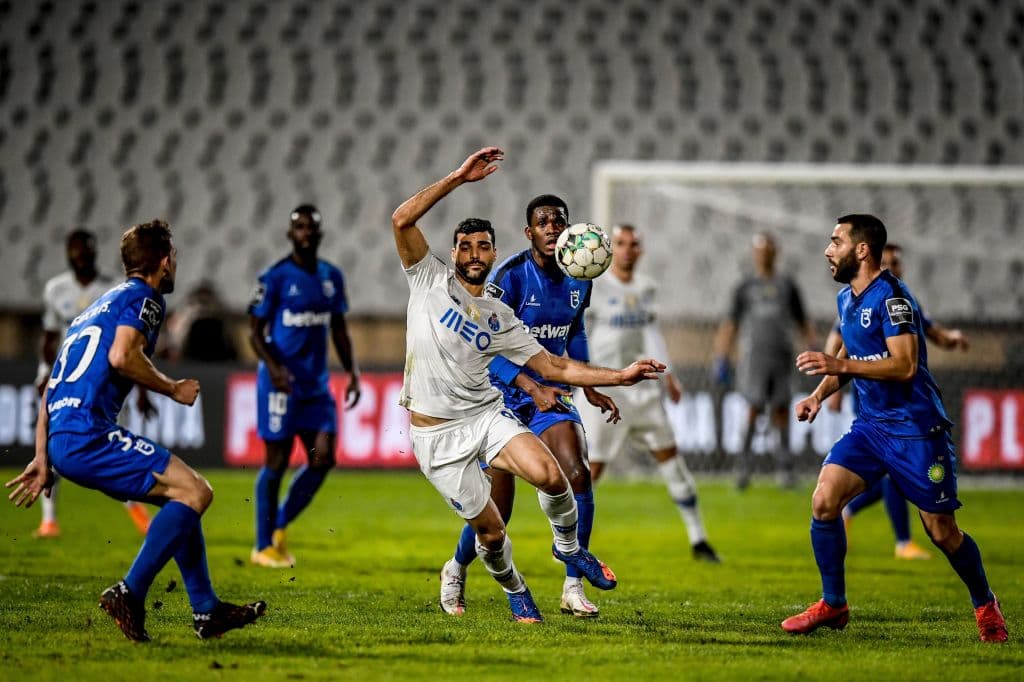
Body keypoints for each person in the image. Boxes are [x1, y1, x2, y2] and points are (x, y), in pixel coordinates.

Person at [393, 146, 664, 622]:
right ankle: (472, 572)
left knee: (564, 474)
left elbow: (558, 360)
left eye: (482, 247)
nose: (475, 255)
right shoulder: (431, 280)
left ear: (492, 252)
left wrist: (615, 377)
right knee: (495, 526)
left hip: (487, 412)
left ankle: (571, 563)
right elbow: (400, 220)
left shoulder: (512, 312)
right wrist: (458, 177)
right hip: (445, 428)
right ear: (453, 252)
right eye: (466, 247)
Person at [6, 219, 265, 642]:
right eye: (174, 257)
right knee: (197, 492)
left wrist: (42, 454)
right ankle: (130, 591)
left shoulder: (94, 309)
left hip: (64, 437)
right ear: (164, 262)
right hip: (90, 434)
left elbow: (52, 385)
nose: (175, 265)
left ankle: (206, 611)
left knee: (178, 499)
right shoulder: (145, 299)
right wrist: (171, 388)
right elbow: (123, 355)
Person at [782, 214, 1006, 643]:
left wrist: (838, 364)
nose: (828, 250)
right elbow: (851, 354)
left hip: (916, 431)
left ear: (861, 249)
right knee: (824, 501)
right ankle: (834, 604)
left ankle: (985, 603)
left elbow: (904, 366)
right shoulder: (847, 300)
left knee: (941, 532)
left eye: (835, 241)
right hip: (872, 428)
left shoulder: (895, 300)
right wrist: (818, 395)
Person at [440, 194, 621, 619]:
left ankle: (573, 586)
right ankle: (456, 567)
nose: (552, 227)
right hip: (503, 397)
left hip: (551, 394)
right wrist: (529, 386)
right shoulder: (511, 277)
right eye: (543, 222)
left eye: (559, 220)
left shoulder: (582, 275)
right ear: (529, 232)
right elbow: (487, 346)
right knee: (496, 509)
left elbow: (574, 333)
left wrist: (589, 383)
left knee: (577, 474)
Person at [579, 224, 720, 563]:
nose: (628, 249)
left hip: (643, 392)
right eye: (621, 243)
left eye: (634, 244)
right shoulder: (592, 288)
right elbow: (579, 336)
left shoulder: (646, 288)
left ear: (640, 250)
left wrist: (669, 376)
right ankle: (570, 544)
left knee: (672, 461)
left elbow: (651, 332)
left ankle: (698, 539)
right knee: (590, 472)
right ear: (610, 249)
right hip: (606, 391)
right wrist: (583, 381)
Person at [825, 243, 970, 561]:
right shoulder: (856, 299)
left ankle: (855, 512)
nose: (892, 267)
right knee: (890, 473)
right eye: (887, 261)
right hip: (871, 407)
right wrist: (829, 388)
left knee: (893, 476)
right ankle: (902, 541)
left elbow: (933, 332)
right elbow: (838, 339)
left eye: (897, 263)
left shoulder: (902, 299)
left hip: (907, 411)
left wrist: (953, 339)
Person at [248, 205, 361, 568]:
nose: (306, 233)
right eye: (299, 227)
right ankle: (263, 545)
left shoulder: (331, 276)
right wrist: (275, 368)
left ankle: (280, 524)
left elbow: (339, 330)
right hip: (280, 385)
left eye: (312, 227)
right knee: (277, 462)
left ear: (320, 233)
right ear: (290, 234)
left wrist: (353, 373)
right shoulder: (275, 277)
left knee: (323, 458)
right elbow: (254, 332)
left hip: (316, 387)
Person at [34, 229, 151, 538]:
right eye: (75, 250)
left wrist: (142, 390)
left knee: (114, 440)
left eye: (85, 250)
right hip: (66, 379)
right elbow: (49, 338)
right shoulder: (56, 289)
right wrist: (45, 372)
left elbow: (129, 346)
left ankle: (135, 506)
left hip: (103, 379)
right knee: (55, 441)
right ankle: (49, 520)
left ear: (95, 252)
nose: (80, 256)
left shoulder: (114, 288)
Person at [713, 233, 816, 489]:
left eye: (768, 250)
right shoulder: (745, 286)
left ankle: (784, 469)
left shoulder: (787, 285)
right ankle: (743, 468)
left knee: (782, 409)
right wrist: (721, 356)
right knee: (753, 407)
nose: (764, 254)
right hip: (754, 357)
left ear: (775, 252)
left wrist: (814, 347)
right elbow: (731, 324)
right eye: (760, 250)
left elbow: (802, 320)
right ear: (754, 254)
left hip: (781, 355)